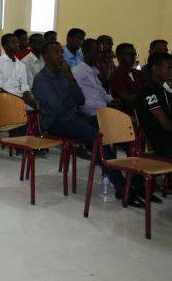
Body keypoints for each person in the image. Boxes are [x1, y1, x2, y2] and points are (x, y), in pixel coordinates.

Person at [33, 42, 141, 204]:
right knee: (96, 137)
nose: (61, 55)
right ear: (46, 56)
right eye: (56, 52)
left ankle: (137, 181)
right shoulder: (41, 79)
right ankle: (121, 186)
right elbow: (57, 109)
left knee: (116, 128)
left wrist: (70, 79)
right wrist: (71, 99)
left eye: (61, 52)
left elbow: (81, 100)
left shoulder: (65, 75)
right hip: (55, 123)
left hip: (74, 117)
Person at [136, 52, 172, 159]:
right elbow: (165, 124)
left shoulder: (164, 90)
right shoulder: (148, 90)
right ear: (155, 68)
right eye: (169, 68)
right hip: (161, 143)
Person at [0, 34, 38, 109]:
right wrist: (20, 99)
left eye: (17, 42)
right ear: (4, 46)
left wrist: (29, 97)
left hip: (20, 97)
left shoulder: (21, 65)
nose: (16, 45)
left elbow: (24, 86)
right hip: (5, 98)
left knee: (35, 105)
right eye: (13, 43)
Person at [72, 39, 116, 117]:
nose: (99, 56)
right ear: (86, 53)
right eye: (97, 52)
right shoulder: (78, 72)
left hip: (103, 111)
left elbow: (101, 92)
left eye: (100, 52)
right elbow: (83, 103)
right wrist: (106, 105)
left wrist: (112, 100)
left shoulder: (93, 70)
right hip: (92, 115)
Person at [109, 43, 146, 115]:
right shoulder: (117, 75)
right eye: (129, 54)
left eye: (134, 54)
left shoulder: (138, 73)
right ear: (119, 56)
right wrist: (144, 92)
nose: (133, 57)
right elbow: (127, 100)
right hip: (128, 114)